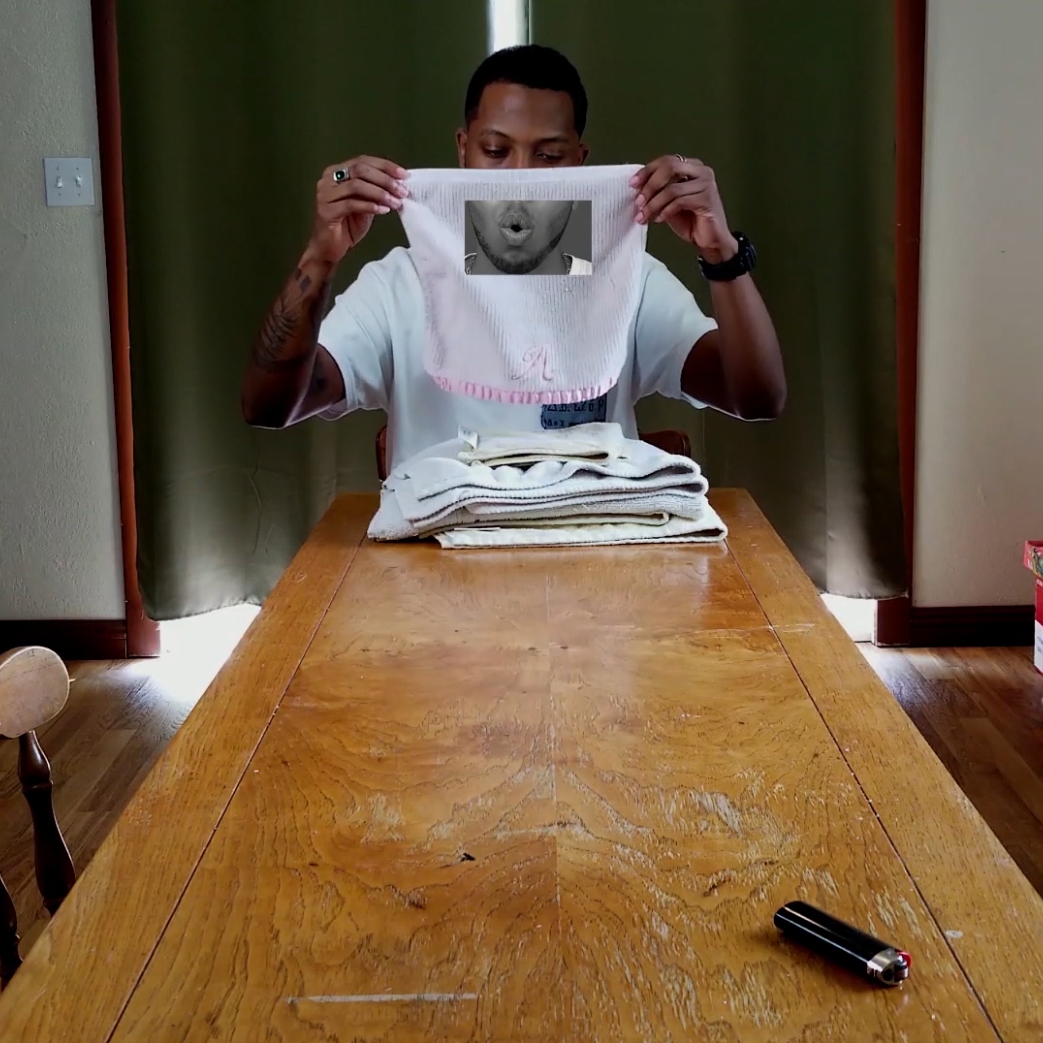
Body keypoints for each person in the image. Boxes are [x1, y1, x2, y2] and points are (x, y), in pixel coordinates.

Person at [241, 45, 785, 467]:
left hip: (589, 566)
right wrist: (321, 255)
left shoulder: (625, 277)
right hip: (440, 577)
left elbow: (756, 396)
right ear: (462, 149)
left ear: (580, 160)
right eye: (496, 151)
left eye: (548, 155)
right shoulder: (402, 283)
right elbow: (268, 408)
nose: (521, 176)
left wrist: (722, 252)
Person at [465, 199, 591, 275]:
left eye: (550, 158)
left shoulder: (607, 291)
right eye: (495, 153)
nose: (517, 200)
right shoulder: (445, 290)